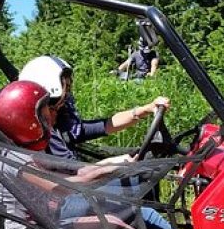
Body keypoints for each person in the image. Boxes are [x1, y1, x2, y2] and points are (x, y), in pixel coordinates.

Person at [0, 80, 197, 229]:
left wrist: (118, 163)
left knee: (113, 221)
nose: (51, 118)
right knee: (109, 225)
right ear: (26, 121)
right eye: (44, 115)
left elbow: (78, 170)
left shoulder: (27, 150)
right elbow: (63, 187)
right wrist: (110, 169)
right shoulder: (16, 159)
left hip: (46, 226)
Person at [18, 55, 169, 161]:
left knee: (143, 158)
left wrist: (146, 109)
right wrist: (113, 164)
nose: (66, 99)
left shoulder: (61, 128)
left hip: (80, 186)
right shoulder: (45, 138)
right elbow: (78, 175)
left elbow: (106, 125)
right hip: (75, 193)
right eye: (55, 106)